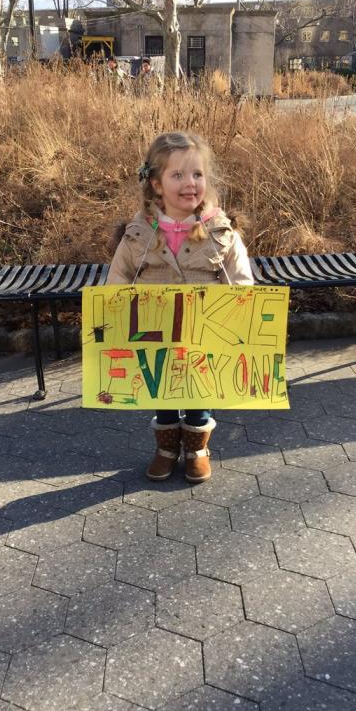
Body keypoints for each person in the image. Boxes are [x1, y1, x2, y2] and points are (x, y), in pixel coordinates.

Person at [107, 131, 254, 484]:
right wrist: (113, 314)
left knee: (200, 389)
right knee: (164, 389)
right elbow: (117, 281)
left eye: (197, 175)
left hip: (205, 336)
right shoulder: (137, 236)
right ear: (156, 184)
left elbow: (242, 281)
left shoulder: (222, 233)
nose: (190, 184)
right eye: (178, 175)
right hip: (155, 335)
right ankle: (167, 448)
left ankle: (197, 448)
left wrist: (239, 315)